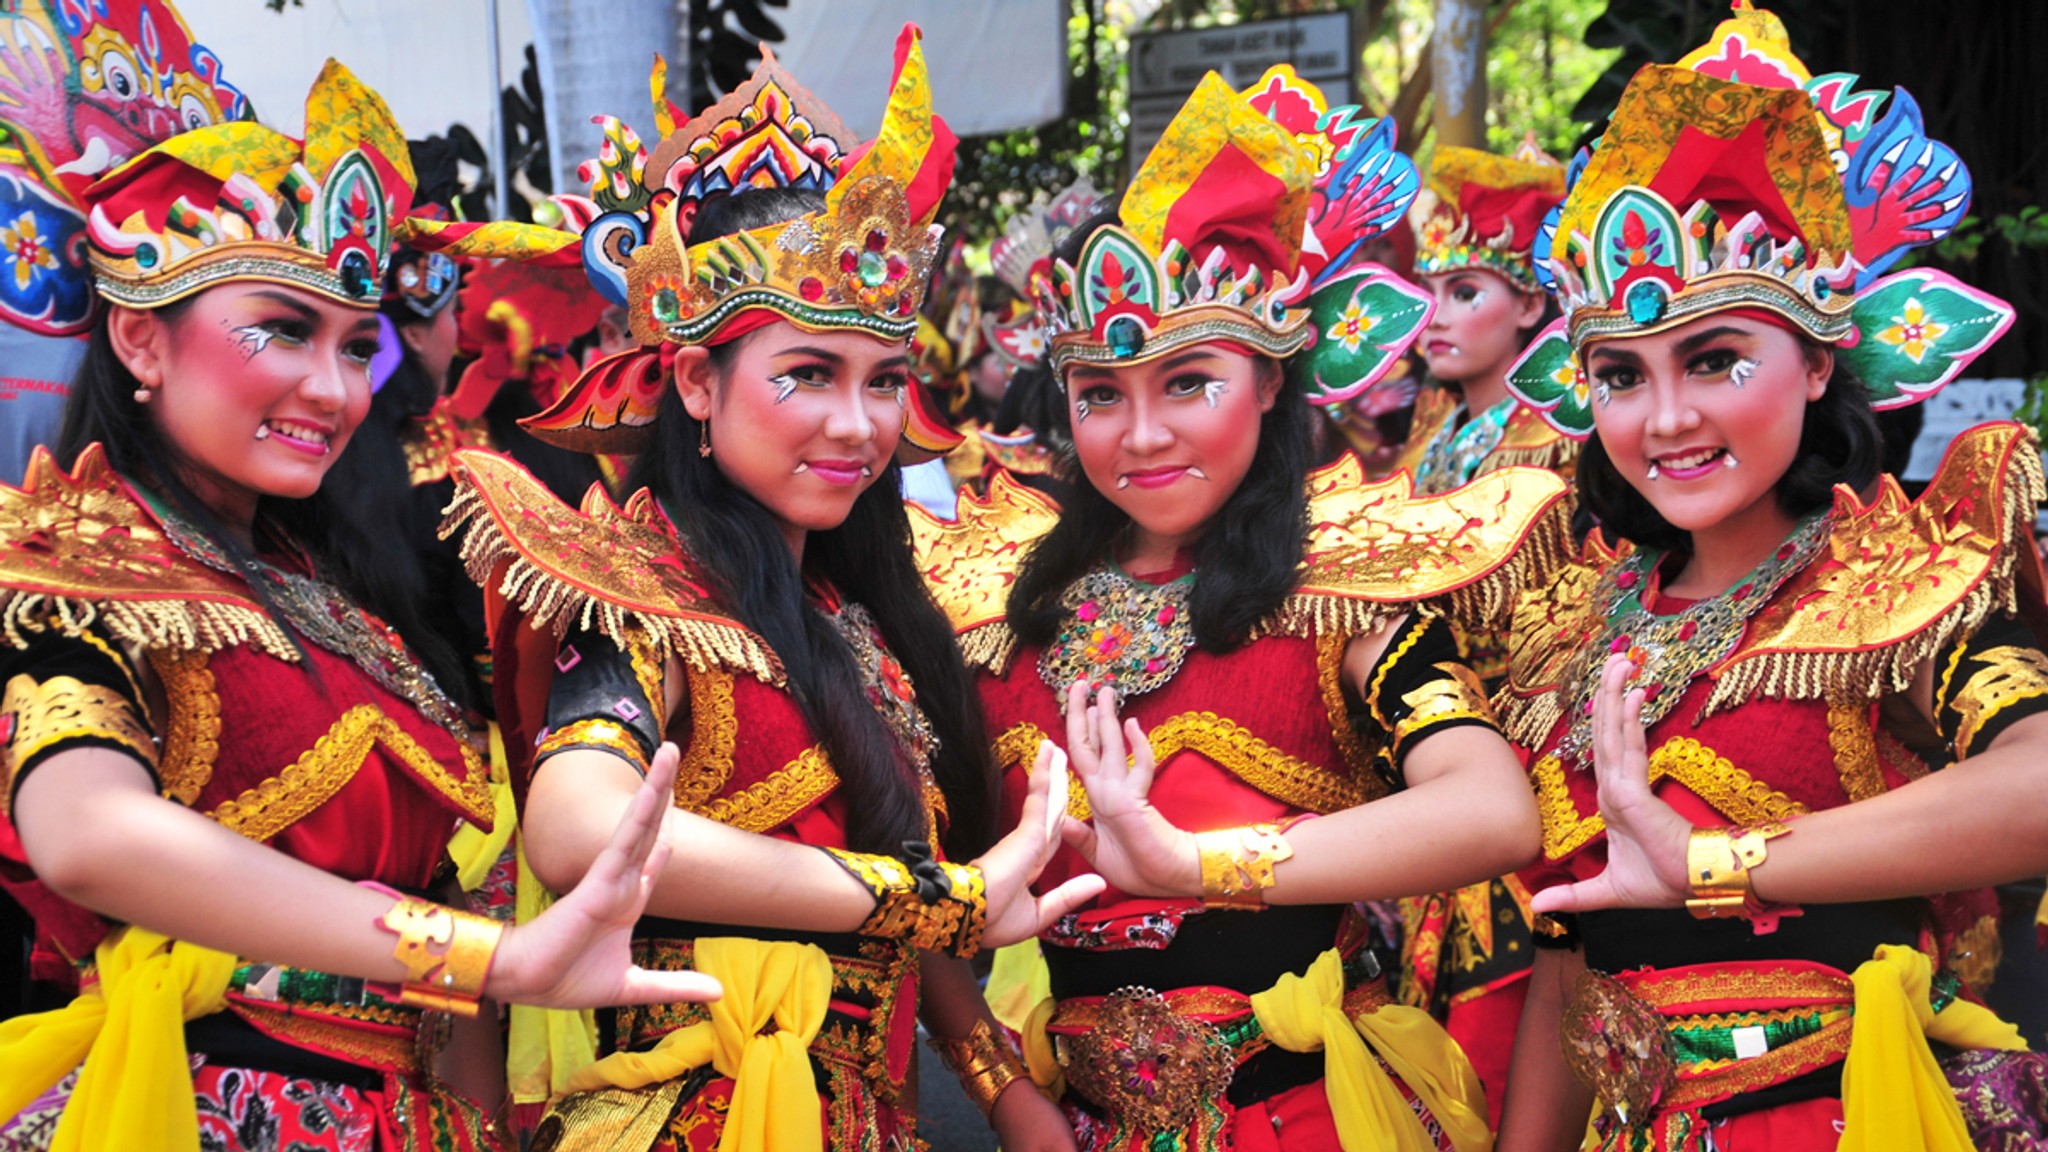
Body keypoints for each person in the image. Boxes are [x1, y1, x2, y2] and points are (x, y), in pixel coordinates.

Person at [0, 58, 721, 1152]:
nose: (336, 392)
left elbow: (442, 900)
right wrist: (490, 958)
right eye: (282, 330)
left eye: (353, 343)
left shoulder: (334, 596)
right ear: (140, 336)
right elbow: (87, 833)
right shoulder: (71, 561)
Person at [434, 31, 1101, 1149]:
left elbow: (906, 933)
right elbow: (579, 829)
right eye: (805, 375)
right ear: (696, 379)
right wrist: (929, 899)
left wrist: (1007, 1096)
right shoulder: (643, 590)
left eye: (884, 380)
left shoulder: (868, 621)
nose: (858, 425)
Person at [911, 67, 1568, 1151]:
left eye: (1187, 384)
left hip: (1306, 1115)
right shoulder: (993, 613)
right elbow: (913, 896)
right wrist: (1008, 1100)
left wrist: (1193, 867)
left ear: (1268, 385)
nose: (1141, 435)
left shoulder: (1345, 589)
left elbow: (1490, 812)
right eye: (1099, 397)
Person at [1492, 6, 2048, 1149]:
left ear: (1813, 363)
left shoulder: (1904, 577)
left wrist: (1710, 865)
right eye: (1620, 376)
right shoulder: (1573, 622)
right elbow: (1563, 959)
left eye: (1714, 360)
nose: (1667, 419)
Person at [1395, 140, 1573, 502]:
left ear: (1528, 306)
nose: (1434, 317)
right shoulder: (1431, 425)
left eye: (1463, 293)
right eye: (1427, 292)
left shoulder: (1554, 445)